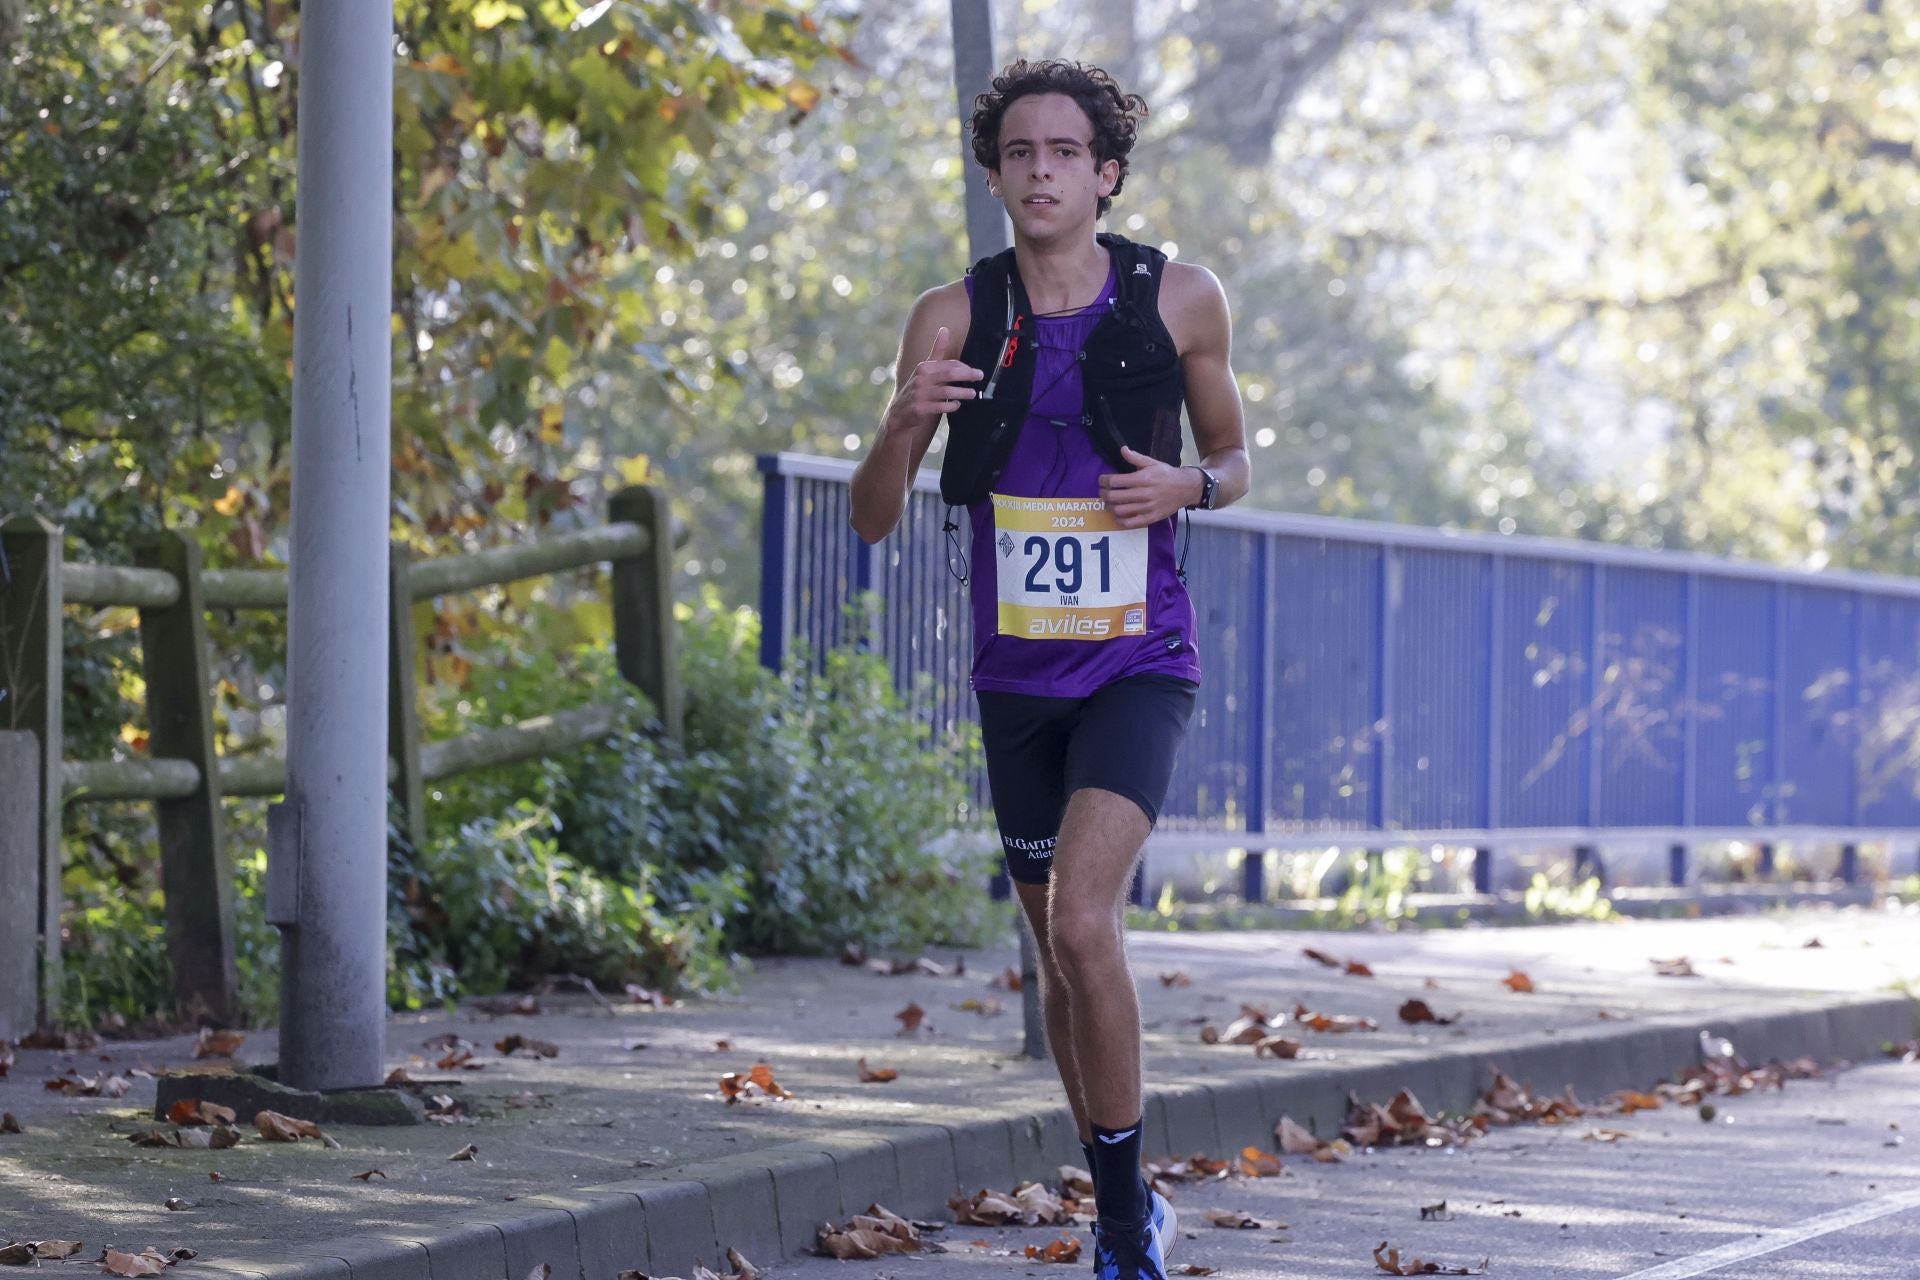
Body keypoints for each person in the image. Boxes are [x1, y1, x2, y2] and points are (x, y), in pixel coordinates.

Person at [849, 58, 1248, 1280]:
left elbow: (1233, 462)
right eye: (1018, 154)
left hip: (1141, 661)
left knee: (1086, 917)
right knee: (1059, 955)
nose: (1040, 171)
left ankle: (1126, 1230)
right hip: (1015, 681)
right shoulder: (952, 314)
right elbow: (870, 516)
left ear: (1106, 172)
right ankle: (1124, 1193)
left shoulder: (1181, 299)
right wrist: (906, 420)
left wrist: (1186, 485)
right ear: (995, 176)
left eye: (1064, 152)